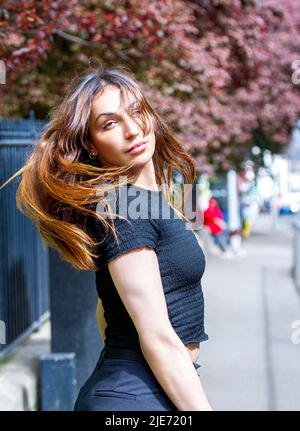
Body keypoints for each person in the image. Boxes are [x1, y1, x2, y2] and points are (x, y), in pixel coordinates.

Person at [1, 66, 213, 411]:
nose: (132, 130)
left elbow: (107, 309)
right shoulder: (126, 207)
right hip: (136, 396)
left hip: (145, 391)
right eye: (110, 123)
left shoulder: (150, 201)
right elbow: (157, 336)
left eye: (136, 111)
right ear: (90, 143)